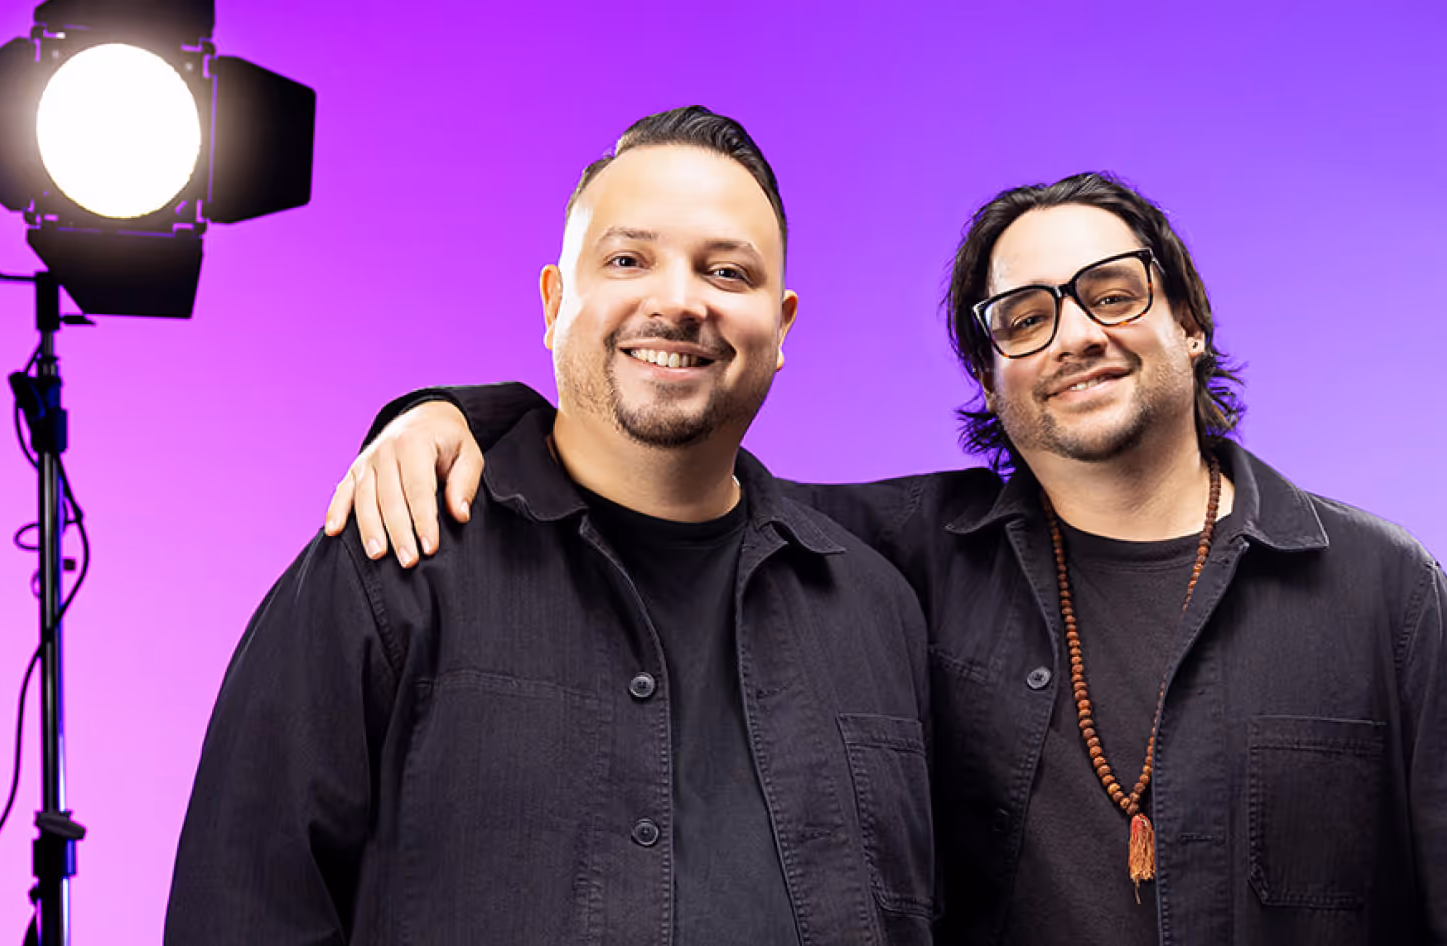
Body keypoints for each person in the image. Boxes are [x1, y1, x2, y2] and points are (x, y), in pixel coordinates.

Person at [333, 172, 1447, 943]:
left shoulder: (1383, 589)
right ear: (990, 375)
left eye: (1113, 292)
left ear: (1188, 321)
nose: (1073, 334)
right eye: (1023, 317)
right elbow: (668, 466)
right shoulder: (896, 561)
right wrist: (461, 412)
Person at [166, 106, 934, 946]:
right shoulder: (396, 559)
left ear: (780, 328)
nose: (679, 301)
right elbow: (241, 909)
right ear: (555, 300)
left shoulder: (878, 612)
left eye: (726, 273)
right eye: (629, 260)